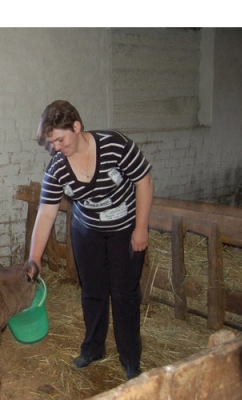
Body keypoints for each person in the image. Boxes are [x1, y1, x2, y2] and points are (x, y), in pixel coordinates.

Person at [29, 100, 153, 380]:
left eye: (60, 139)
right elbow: (46, 214)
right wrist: (34, 258)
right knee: (93, 292)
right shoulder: (57, 168)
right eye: (52, 143)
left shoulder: (115, 145)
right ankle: (94, 348)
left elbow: (143, 180)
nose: (56, 147)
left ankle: (131, 358)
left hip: (125, 229)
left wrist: (141, 228)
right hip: (87, 232)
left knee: (124, 294)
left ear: (77, 126)